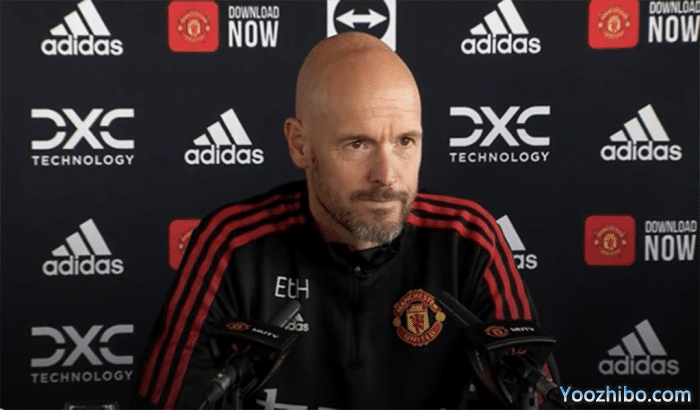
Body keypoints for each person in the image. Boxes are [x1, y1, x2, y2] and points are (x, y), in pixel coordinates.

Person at [133, 31, 558, 410]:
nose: (386, 176)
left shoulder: (468, 239)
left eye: (405, 141)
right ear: (300, 145)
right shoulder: (232, 244)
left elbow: (539, 398)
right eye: (358, 144)